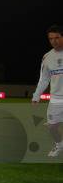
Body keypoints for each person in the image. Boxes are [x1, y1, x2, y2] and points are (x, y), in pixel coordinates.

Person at [31, 25, 63, 157]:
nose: (54, 41)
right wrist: (36, 96)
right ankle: (59, 144)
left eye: (57, 37)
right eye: (51, 39)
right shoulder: (47, 57)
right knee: (52, 127)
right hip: (56, 99)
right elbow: (44, 79)